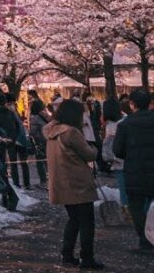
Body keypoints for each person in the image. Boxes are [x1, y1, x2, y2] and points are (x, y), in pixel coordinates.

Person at [45, 99, 103, 269]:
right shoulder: (71, 132)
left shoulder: (52, 132)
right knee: (87, 222)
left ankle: (67, 255)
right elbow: (89, 154)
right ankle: (87, 258)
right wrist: (94, 148)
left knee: (74, 220)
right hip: (78, 183)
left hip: (61, 183)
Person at [112, 89, 154, 251]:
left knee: (136, 206)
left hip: (135, 171)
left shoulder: (125, 124)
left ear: (132, 104)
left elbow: (118, 150)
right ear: (150, 103)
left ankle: (145, 240)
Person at [0, 94, 30, 190]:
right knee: (23, 162)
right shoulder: (11, 112)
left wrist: (2, 137)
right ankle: (27, 184)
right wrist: (17, 138)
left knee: (13, 163)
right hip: (17, 139)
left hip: (5, 140)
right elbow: (18, 125)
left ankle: (16, 184)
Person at [27, 100, 49, 185]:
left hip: (43, 142)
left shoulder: (37, 117)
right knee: (42, 162)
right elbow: (34, 132)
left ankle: (45, 181)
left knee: (42, 162)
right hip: (42, 142)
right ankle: (44, 181)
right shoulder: (38, 118)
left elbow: (33, 132)